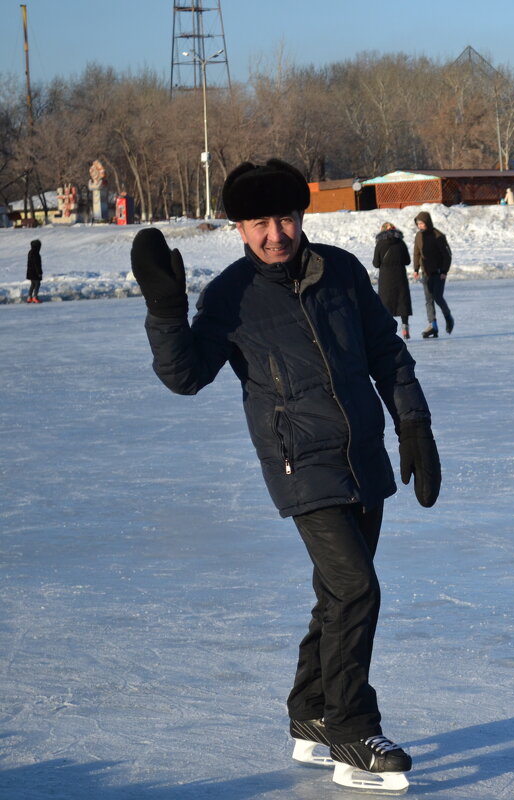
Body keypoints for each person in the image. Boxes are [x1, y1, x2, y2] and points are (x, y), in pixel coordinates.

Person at [129, 158, 440, 794]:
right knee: (356, 588)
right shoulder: (230, 297)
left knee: (336, 594)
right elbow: (186, 376)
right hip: (301, 466)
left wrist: (414, 425)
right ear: (239, 228)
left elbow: (387, 351)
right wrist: (165, 308)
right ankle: (352, 729)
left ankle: (310, 714)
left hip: (364, 457)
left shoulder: (345, 273)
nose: (275, 233)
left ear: (301, 217)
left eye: (285, 218)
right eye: (259, 222)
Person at [411, 210, 454, 338]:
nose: (420, 226)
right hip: (426, 273)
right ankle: (433, 325)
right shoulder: (419, 236)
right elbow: (416, 253)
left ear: (427, 223)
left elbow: (447, 255)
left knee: (437, 297)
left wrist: (444, 271)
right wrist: (416, 269)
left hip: (439, 273)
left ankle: (448, 316)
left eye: (422, 223)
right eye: (418, 224)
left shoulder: (438, 236)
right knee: (428, 300)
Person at [372, 222, 413, 338]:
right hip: (400, 276)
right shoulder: (400, 242)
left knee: (386, 303)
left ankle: (390, 331)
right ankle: (405, 326)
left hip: (386, 278)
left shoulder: (380, 244)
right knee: (402, 301)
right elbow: (407, 261)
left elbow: (376, 263)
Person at [25, 239, 42, 303]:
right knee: (37, 284)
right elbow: (37, 264)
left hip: (30, 272)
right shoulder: (35, 253)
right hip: (35, 272)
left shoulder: (30, 252)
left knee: (33, 284)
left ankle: (29, 297)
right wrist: (39, 273)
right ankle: (35, 297)